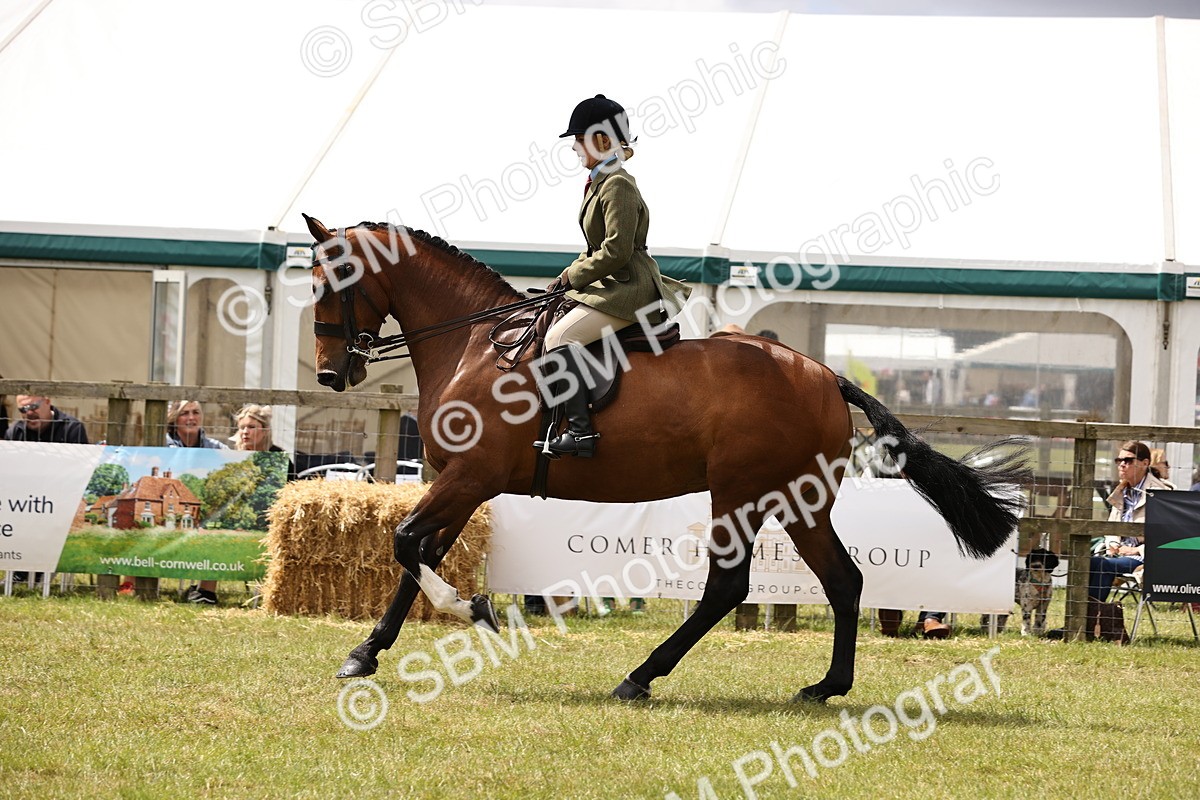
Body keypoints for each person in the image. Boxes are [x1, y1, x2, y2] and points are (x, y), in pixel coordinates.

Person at [535, 94, 691, 458]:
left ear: (601, 140)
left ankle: (581, 434)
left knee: (560, 338)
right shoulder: (600, 181)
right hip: (610, 283)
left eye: (579, 138)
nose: (574, 146)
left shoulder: (617, 183)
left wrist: (573, 277)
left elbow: (617, 250)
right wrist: (565, 276)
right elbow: (594, 247)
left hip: (628, 287)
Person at [1086, 440, 1172, 602]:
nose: (1122, 465)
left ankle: (1091, 619)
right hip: (1119, 554)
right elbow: (1111, 528)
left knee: (1102, 565)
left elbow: (1168, 537)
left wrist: (1136, 550)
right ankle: (1080, 617)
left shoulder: (1161, 493)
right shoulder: (1121, 491)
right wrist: (1113, 543)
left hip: (1149, 558)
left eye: (1128, 460)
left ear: (1145, 463)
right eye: (1119, 461)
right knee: (1086, 562)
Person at [165, 400, 227, 604]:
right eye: (185, 413)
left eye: (196, 413)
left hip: (202, 508)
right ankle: (134, 587)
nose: (191, 418)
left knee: (216, 536)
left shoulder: (216, 447)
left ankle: (206, 593)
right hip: (172, 510)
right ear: (174, 418)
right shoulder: (161, 445)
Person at [232, 404, 297, 481]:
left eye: (251, 427)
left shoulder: (279, 457)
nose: (245, 432)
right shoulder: (234, 457)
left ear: (265, 430)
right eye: (242, 427)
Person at [4, 395, 89, 444]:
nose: (29, 413)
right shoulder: (15, 432)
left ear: (47, 402)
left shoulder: (72, 428)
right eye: (23, 409)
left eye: (33, 407)